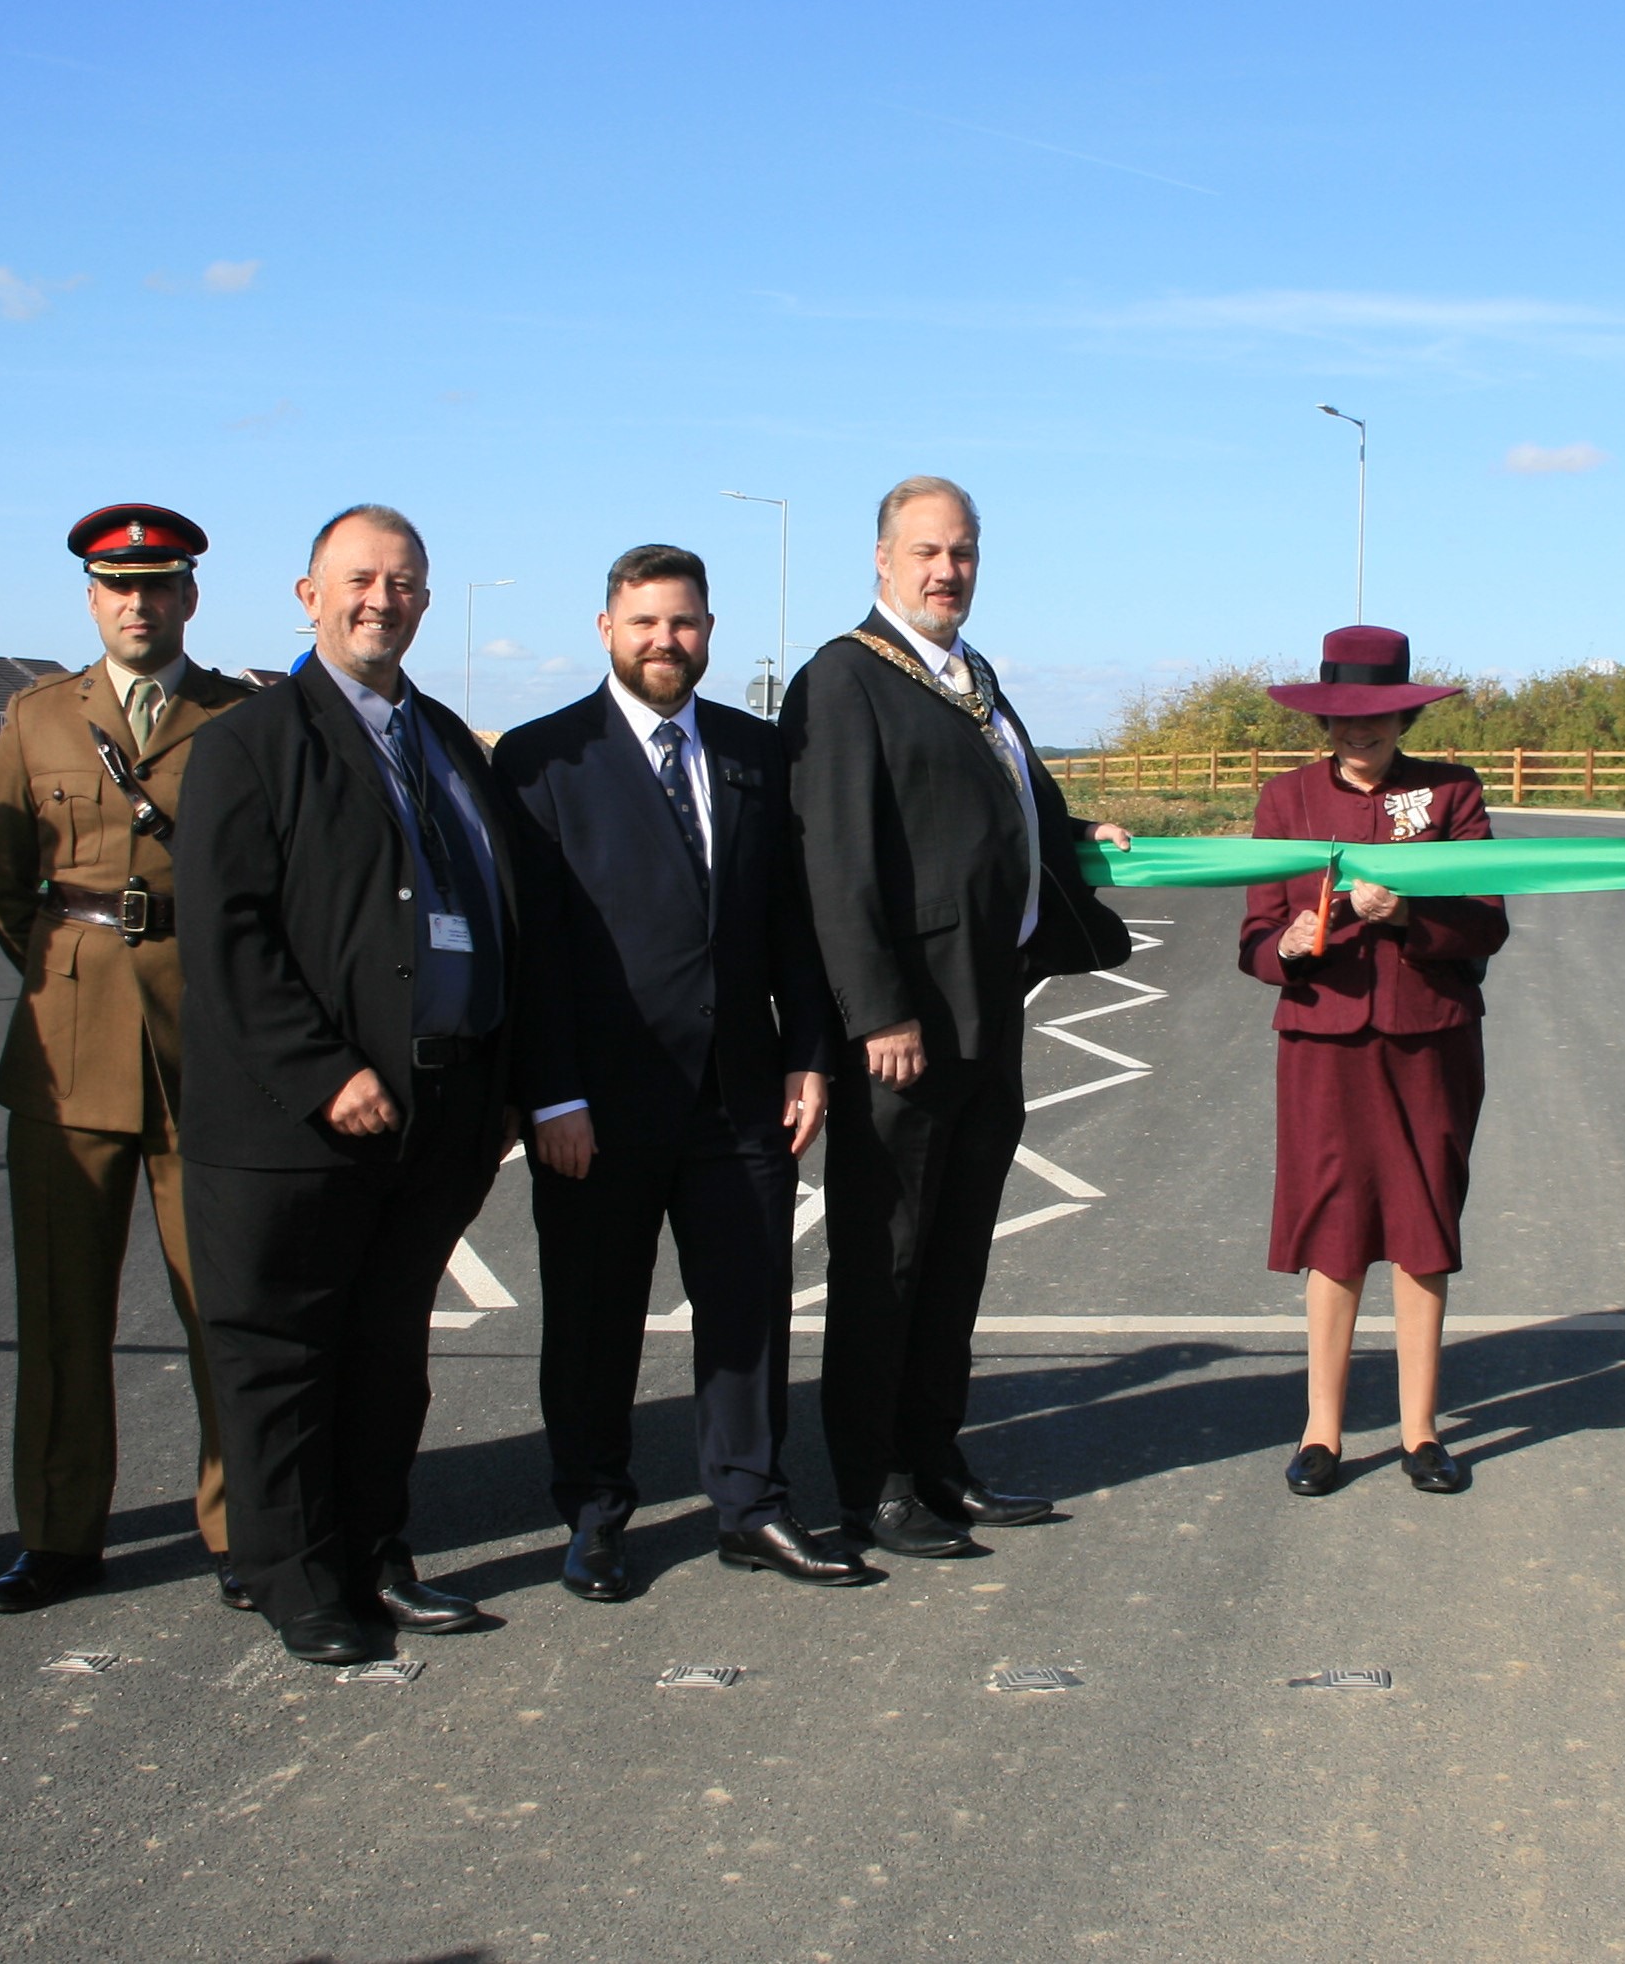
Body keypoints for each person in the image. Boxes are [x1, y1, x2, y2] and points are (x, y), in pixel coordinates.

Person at [176, 504, 522, 1665]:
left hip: (435, 1109)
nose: (385, 599)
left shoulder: (446, 744)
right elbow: (227, 937)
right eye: (360, 579)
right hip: (299, 1123)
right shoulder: (250, 743)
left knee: (386, 1354)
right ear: (307, 594)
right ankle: (292, 1575)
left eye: (406, 581)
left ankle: (377, 1553)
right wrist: (324, 1074)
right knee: (282, 1359)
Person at [497, 544, 864, 1599]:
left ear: (710, 630)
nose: (667, 641)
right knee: (593, 1320)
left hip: (740, 1093)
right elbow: (536, 951)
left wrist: (808, 1053)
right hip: (598, 1105)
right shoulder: (540, 760)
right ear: (607, 627)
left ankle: (750, 1504)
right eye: (647, 622)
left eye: (686, 623)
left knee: (747, 1312)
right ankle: (595, 1514)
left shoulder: (756, 750)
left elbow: (791, 917)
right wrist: (552, 1094)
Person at [781, 476, 1133, 1558]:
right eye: (927, 552)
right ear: (881, 558)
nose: (947, 571)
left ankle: (937, 1457)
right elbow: (833, 862)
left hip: (987, 1011)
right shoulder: (844, 677)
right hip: (906, 1031)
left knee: (955, 1258)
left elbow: (1010, 798)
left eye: (964, 553)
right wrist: (876, 1010)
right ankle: (871, 1482)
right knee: (884, 1260)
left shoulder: (970, 676)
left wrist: (1075, 833)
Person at [0, 505, 264, 1616]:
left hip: (205, 1045)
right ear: (91, 598)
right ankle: (57, 1536)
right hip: (70, 1042)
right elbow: (8, 887)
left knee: (221, 1307)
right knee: (60, 1313)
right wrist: (75, 974)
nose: (137, 603)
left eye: (157, 585)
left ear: (190, 595)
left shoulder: (237, 716)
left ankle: (241, 1526)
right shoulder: (38, 717)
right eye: (116, 585)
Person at [1238, 628, 1508, 1495]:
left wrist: (1406, 919)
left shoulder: (1451, 792)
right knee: (1333, 1229)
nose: (1359, 734)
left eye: (1379, 717)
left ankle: (1420, 1432)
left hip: (1429, 1038)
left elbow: (1486, 921)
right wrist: (1289, 942)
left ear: (1405, 713)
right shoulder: (1283, 800)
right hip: (1321, 1042)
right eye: (1343, 719)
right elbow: (1251, 937)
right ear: (1320, 719)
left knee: (1423, 1223)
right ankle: (1322, 1432)